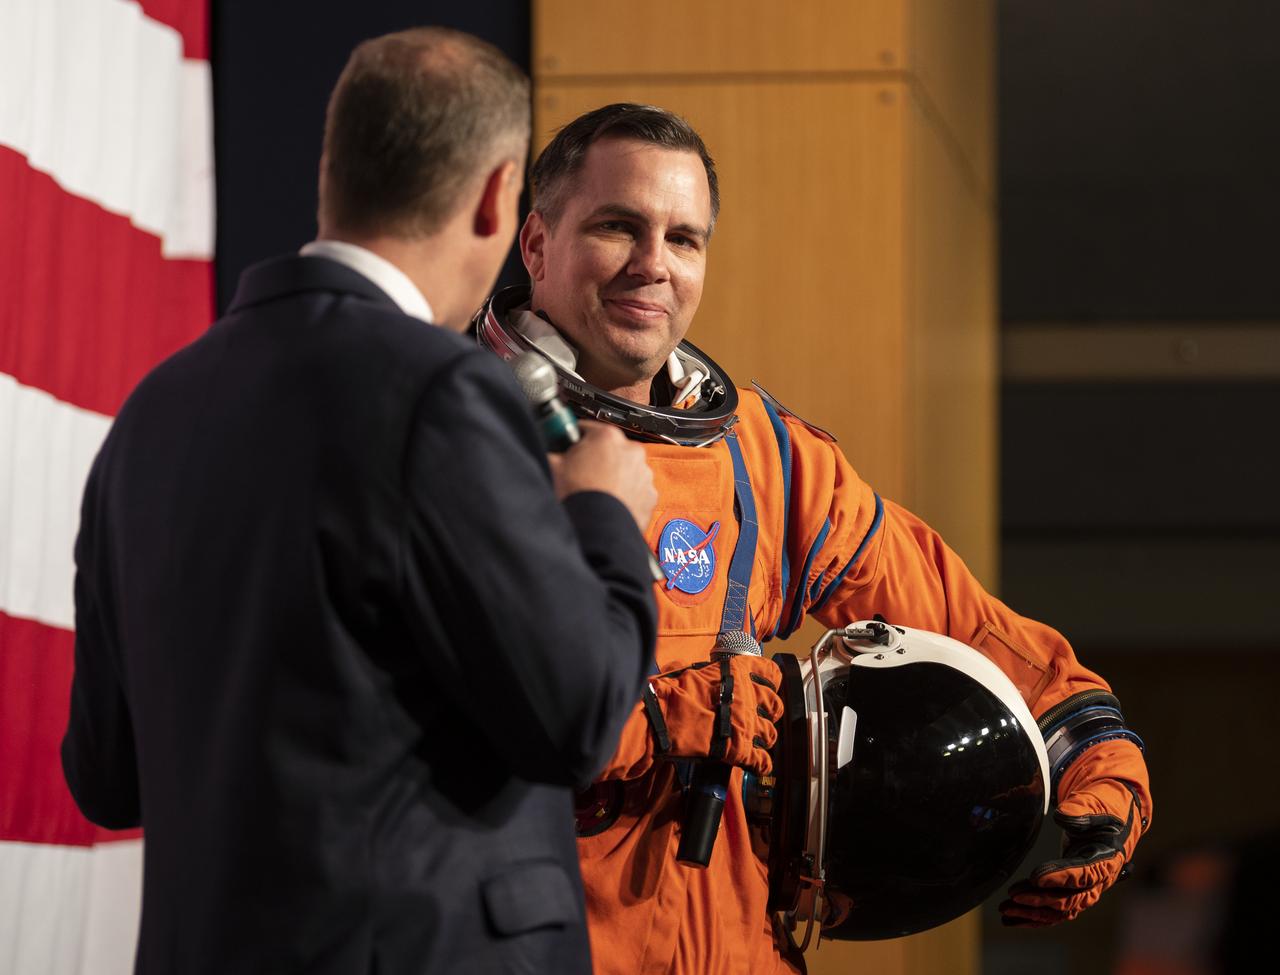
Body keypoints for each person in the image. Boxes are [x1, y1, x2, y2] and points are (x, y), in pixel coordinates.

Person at [474, 103, 1154, 974]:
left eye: (684, 239)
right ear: (536, 244)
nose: (654, 264)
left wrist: (1100, 757)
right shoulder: (448, 439)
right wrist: (666, 717)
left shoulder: (765, 461)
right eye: (618, 226)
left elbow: (963, 622)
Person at [61, 32, 660, 975]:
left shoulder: (152, 413)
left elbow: (105, 776)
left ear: (332, 171)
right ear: (502, 196)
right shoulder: (444, 395)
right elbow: (578, 719)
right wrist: (604, 514)